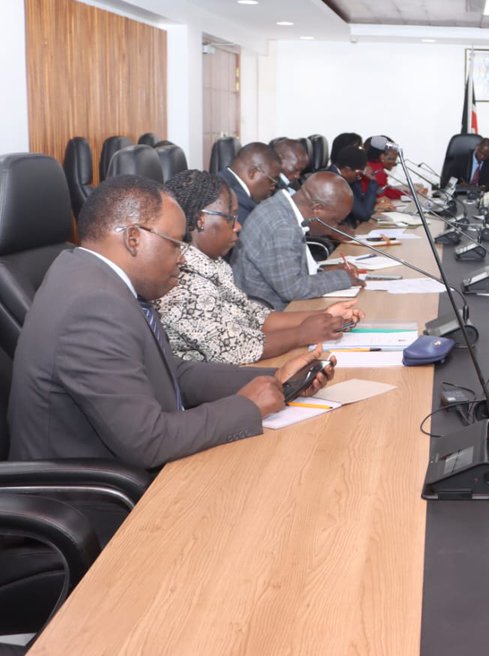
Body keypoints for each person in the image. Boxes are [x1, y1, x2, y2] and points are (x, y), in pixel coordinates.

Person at [7, 175, 335, 472]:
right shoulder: (94, 305)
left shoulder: (91, 275)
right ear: (134, 238)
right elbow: (148, 442)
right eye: (176, 243)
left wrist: (276, 378)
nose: (183, 256)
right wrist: (247, 406)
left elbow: (171, 371)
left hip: (131, 469)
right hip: (98, 502)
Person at [155, 170, 364, 364]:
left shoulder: (213, 263)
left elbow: (254, 315)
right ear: (201, 220)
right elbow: (233, 349)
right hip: (214, 386)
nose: (239, 226)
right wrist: (302, 333)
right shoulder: (182, 279)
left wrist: (323, 315)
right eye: (231, 217)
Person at [231, 172, 364, 309]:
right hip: (270, 313)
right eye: (335, 220)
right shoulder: (283, 226)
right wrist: (343, 278)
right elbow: (293, 289)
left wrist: (326, 271)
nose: (335, 227)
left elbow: (288, 269)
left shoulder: (279, 207)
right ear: (317, 209)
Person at [326, 144, 392, 226]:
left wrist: (374, 207)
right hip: (335, 234)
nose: (359, 176)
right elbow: (364, 215)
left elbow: (361, 204)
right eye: (358, 173)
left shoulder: (342, 176)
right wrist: (373, 181)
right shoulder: (335, 182)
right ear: (347, 170)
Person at [221, 142, 282, 225]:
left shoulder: (221, 180)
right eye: (272, 181)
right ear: (252, 173)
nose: (273, 187)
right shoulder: (236, 203)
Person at [366, 134, 404, 200]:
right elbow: (382, 196)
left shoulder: (372, 166)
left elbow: (386, 191)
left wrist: (410, 192)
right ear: (382, 157)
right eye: (393, 158)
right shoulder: (377, 171)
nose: (395, 163)